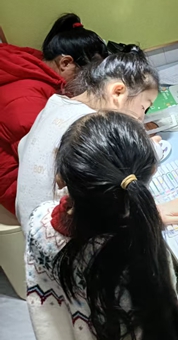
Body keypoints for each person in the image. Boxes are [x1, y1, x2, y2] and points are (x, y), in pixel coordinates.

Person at [26, 111, 178, 340]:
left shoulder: (39, 220)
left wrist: (142, 218)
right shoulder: (131, 259)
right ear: (151, 172)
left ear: (62, 176)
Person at [16, 50, 178, 232]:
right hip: (66, 233)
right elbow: (108, 196)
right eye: (143, 107)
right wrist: (152, 214)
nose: (141, 118)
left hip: (35, 226)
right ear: (118, 92)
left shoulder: (57, 102)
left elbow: (23, 146)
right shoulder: (86, 127)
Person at [0, 13, 107, 216]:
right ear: (65, 62)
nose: (87, 84)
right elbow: (51, 161)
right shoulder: (24, 102)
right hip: (20, 187)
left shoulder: (36, 64)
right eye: (85, 76)